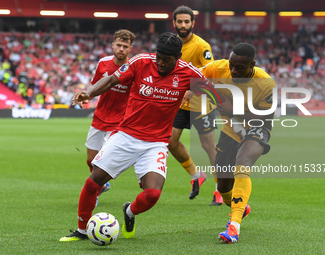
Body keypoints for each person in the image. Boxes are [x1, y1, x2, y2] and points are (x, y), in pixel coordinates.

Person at [59, 32, 214, 242]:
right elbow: (112, 79)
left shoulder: (189, 73)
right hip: (126, 136)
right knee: (93, 182)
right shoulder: (141, 61)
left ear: (177, 58)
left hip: (156, 143)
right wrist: (89, 92)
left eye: (166, 60)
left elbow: (212, 93)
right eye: (158, 56)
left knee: (152, 195)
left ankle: (129, 212)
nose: (159, 62)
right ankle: (82, 230)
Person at [200, 43, 276, 243]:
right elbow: (195, 77)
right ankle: (240, 207)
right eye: (231, 65)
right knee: (224, 186)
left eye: (240, 67)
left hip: (257, 127)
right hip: (230, 130)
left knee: (242, 163)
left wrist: (231, 109)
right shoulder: (217, 68)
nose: (233, 70)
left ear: (253, 64)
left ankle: (234, 227)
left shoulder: (265, 83)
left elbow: (265, 117)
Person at [170, 5, 223, 205]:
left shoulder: (202, 46)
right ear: (174, 23)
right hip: (180, 103)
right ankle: (196, 175)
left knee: (208, 146)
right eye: (179, 21)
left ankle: (220, 188)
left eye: (186, 22)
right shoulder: (172, 44)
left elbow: (212, 74)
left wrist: (194, 87)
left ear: (193, 23)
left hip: (202, 103)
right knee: (170, 142)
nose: (183, 25)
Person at [84, 29, 135, 205]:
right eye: (118, 45)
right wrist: (86, 96)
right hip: (99, 118)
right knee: (90, 159)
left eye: (125, 46)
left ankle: (96, 191)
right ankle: (102, 184)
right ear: (113, 45)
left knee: (101, 161)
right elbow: (96, 86)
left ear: (130, 49)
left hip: (118, 122)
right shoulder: (103, 63)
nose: (121, 49)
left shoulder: (133, 68)